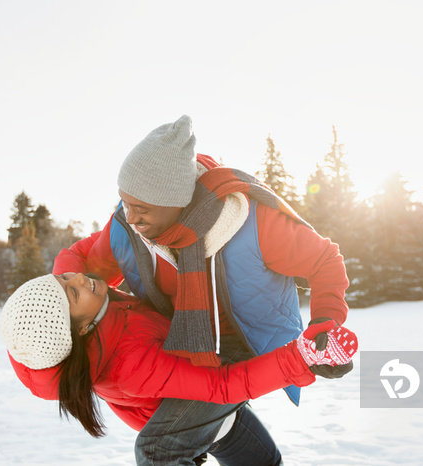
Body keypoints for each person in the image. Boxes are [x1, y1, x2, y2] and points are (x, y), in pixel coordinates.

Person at [53, 115, 353, 465]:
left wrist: (326, 321)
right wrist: (56, 299)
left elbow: (324, 260)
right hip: (181, 354)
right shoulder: (126, 227)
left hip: (244, 351)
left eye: (142, 208)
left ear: (177, 201)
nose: (129, 216)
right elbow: (81, 265)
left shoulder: (250, 223)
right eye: (125, 202)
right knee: (216, 429)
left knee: (158, 451)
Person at [0, 273, 358, 465]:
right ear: (79, 329)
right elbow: (221, 386)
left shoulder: (95, 313)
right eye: (73, 294)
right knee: (165, 450)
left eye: (65, 278)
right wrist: (301, 357)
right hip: (196, 410)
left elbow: (79, 256)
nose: (80, 279)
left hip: (206, 397)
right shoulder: (130, 363)